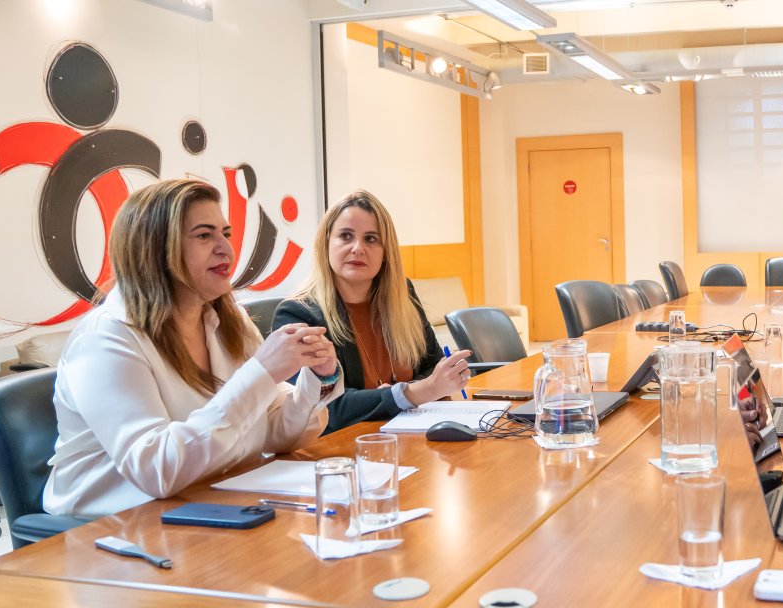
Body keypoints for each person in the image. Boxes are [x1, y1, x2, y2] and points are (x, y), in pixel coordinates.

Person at [44, 179, 342, 519]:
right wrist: (260, 373)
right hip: (112, 528)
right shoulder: (104, 339)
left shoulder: (230, 321)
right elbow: (157, 470)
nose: (226, 249)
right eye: (204, 235)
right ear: (155, 250)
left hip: (209, 502)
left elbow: (275, 433)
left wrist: (318, 378)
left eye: (225, 233)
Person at [275, 191, 472, 433]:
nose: (357, 248)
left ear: (385, 252)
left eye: (371, 239)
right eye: (346, 236)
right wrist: (411, 392)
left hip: (412, 438)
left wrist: (388, 396)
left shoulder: (403, 295)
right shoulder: (298, 315)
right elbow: (325, 408)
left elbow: (432, 365)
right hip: (346, 450)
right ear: (326, 243)